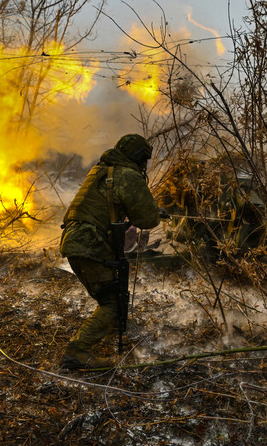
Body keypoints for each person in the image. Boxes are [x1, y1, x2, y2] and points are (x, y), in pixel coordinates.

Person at [59, 133, 160, 369]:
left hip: (76, 241)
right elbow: (148, 218)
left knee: (111, 293)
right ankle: (77, 352)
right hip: (89, 244)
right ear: (138, 158)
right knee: (112, 302)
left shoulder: (102, 171)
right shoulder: (127, 175)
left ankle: (117, 329)